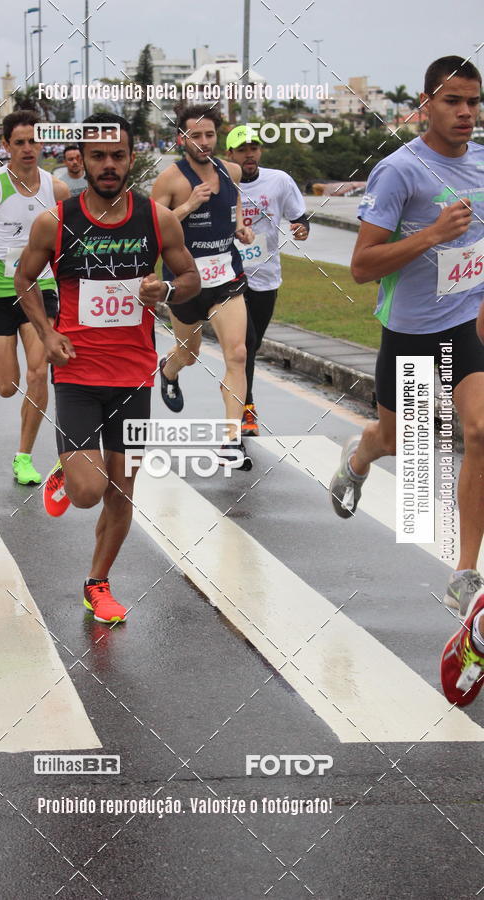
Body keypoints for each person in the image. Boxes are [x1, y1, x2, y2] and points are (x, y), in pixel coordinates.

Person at [326, 56, 484, 707]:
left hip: (464, 329)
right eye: (453, 101)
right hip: (411, 332)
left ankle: (465, 573)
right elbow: (363, 266)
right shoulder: (400, 170)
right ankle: (360, 454)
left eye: (474, 101)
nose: (466, 113)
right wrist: (431, 235)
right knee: (396, 440)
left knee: (480, 431)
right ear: (426, 105)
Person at [14, 113, 199, 623]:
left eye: (118, 155)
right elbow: (23, 279)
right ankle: (68, 472)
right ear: (82, 160)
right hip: (77, 373)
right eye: (98, 156)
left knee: (122, 490)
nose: (109, 164)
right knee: (88, 492)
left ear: (132, 158)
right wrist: (47, 332)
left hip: (135, 376)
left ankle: (97, 583)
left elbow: (191, 277)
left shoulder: (157, 220)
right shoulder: (55, 222)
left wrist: (166, 289)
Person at [0, 110, 69, 487]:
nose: (27, 148)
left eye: (33, 141)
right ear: (6, 145)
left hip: (41, 289)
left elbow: (69, 241)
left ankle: (24, 456)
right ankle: (15, 403)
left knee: (38, 373)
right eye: (19, 142)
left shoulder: (57, 189)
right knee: (6, 386)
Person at [151, 104, 254, 465]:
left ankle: (231, 440)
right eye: (196, 135)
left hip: (226, 276)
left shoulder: (231, 171)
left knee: (237, 354)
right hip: (185, 281)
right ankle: (169, 369)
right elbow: (152, 227)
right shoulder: (170, 180)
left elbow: (234, 202)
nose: (204, 142)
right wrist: (189, 205)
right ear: (182, 139)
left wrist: (240, 227)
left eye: (210, 134)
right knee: (189, 355)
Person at [226, 125, 310, 435]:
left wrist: (302, 229)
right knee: (244, 345)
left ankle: (238, 393)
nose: (249, 155)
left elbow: (299, 217)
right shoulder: (221, 183)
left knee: (252, 345)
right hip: (230, 277)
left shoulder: (279, 181)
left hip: (266, 277)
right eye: (242, 150)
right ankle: (245, 409)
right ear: (230, 154)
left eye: (254, 148)